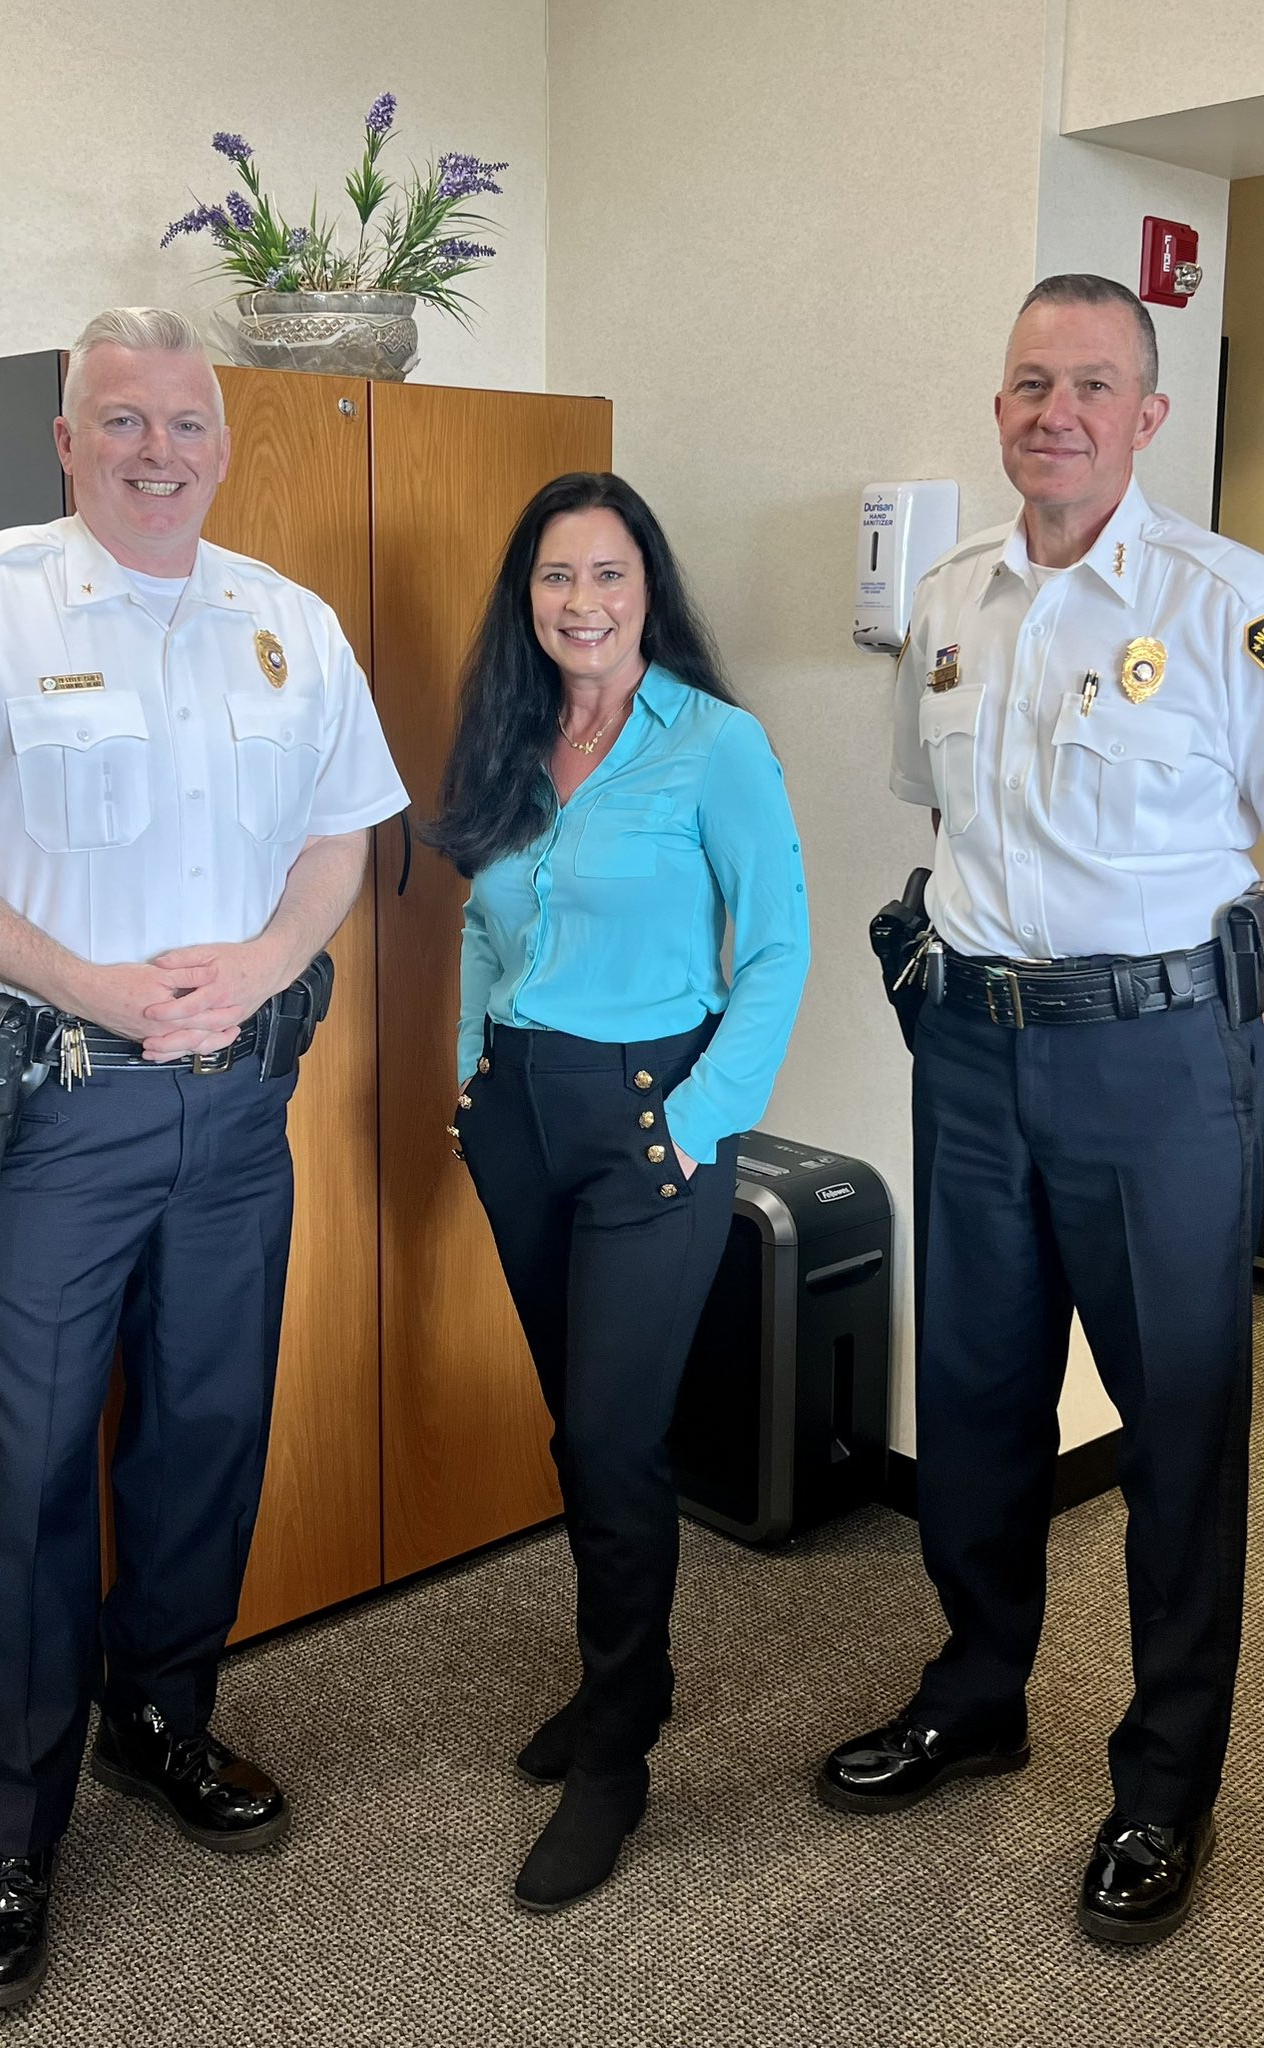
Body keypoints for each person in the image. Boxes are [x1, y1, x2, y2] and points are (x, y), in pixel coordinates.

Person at [0, 308, 407, 2011]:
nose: (160, 452)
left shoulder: (288, 622)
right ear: (68, 441)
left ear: (223, 442)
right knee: (28, 1476)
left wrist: (274, 962)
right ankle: (9, 1834)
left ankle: (161, 1713)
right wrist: (84, 982)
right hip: (60, 1111)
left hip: (240, 1111)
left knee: (208, 1434)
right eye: (123, 422)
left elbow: (343, 833)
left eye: (186, 423)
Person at [817, 275, 1264, 1945]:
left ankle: (1167, 1780)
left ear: (1148, 415)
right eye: (1032, 384)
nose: (1057, 413)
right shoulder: (953, 599)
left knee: (1178, 1421)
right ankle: (978, 1695)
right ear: (1001, 407)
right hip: (976, 1053)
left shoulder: (1241, 605)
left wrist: (1201, 1030)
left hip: (1159, 1068)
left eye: (1094, 385)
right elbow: (947, 821)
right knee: (976, 1398)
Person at [429, 471, 810, 1912]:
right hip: (520, 1117)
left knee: (610, 1435)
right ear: (524, 599)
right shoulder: (513, 738)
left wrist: (699, 1125)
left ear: (649, 591)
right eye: (555, 577)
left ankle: (616, 1760)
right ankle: (624, 1683)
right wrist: (470, 1075)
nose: (580, 602)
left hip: (653, 1121)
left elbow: (775, 950)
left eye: (607, 575)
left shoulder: (714, 744)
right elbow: (484, 922)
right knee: (578, 1429)